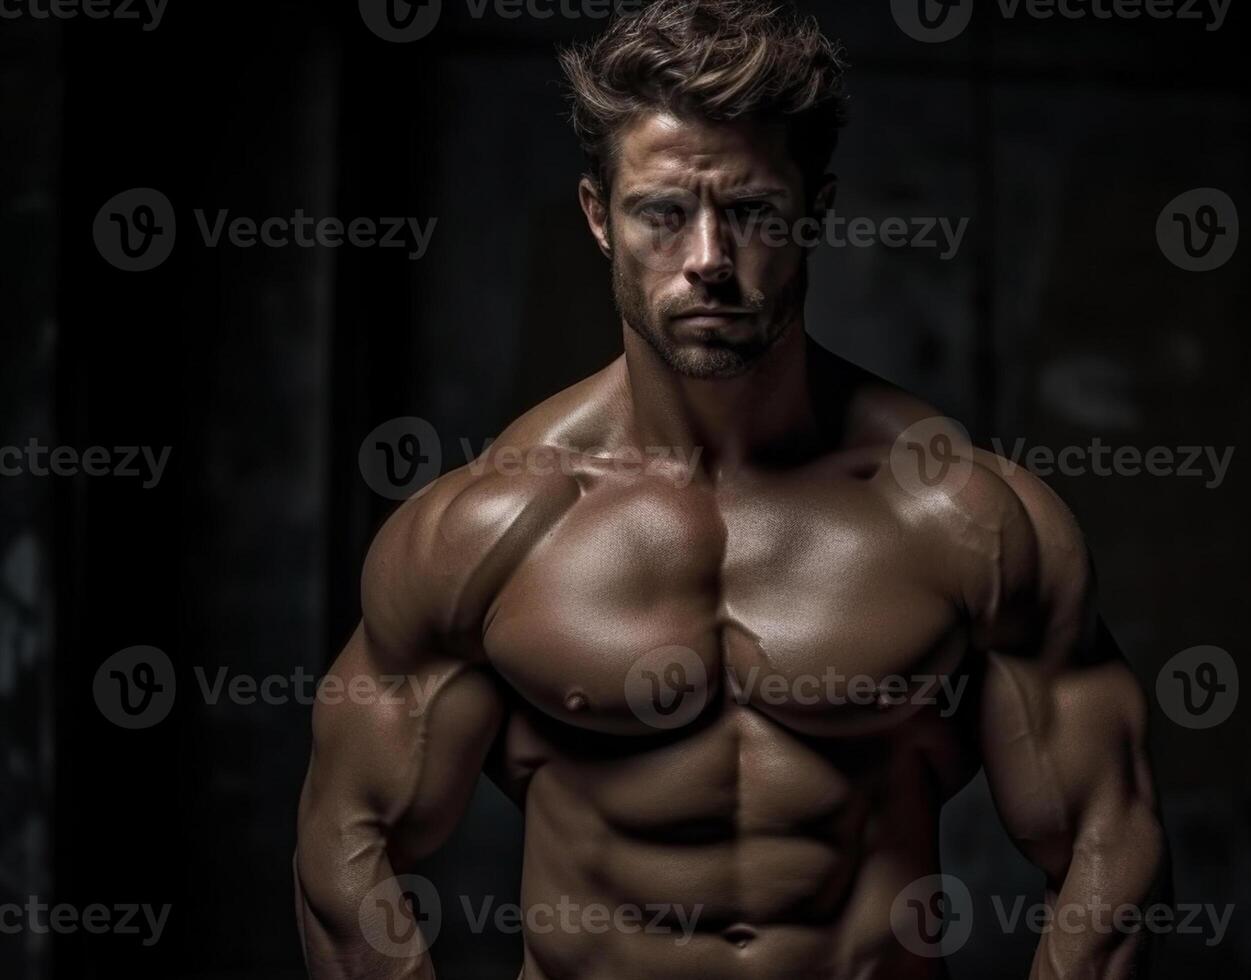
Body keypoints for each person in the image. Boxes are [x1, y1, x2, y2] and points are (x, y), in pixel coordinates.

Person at [295, 2, 1167, 976]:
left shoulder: (963, 517)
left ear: (815, 209)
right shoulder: (489, 527)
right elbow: (347, 839)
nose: (708, 261)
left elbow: (1107, 838)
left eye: (750, 211)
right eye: (663, 213)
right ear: (599, 216)